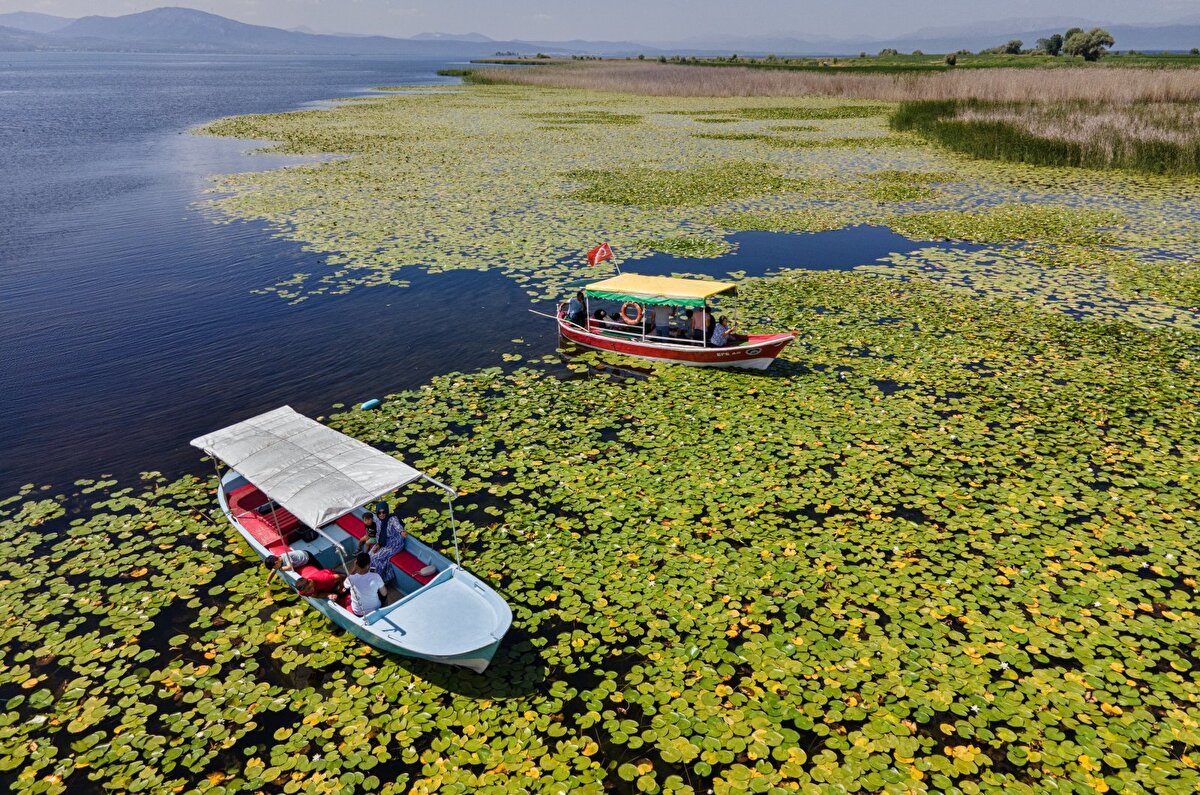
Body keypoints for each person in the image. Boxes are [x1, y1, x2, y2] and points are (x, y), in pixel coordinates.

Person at [369, 501, 407, 585]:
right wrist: (378, 544)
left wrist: (401, 532)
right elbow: (379, 533)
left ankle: (379, 581)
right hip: (383, 543)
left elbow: (398, 526)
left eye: (384, 512)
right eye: (379, 512)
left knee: (376, 558)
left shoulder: (392, 519)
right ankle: (372, 576)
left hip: (394, 544)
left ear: (387, 511)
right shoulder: (378, 520)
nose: (381, 514)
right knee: (370, 554)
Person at [338, 552, 387, 617]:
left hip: (358, 612)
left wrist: (354, 568)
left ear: (356, 563)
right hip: (375, 609)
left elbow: (345, 585)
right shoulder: (376, 577)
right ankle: (385, 609)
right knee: (382, 590)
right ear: (368, 564)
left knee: (349, 588)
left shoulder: (351, 578)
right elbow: (384, 593)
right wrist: (374, 576)